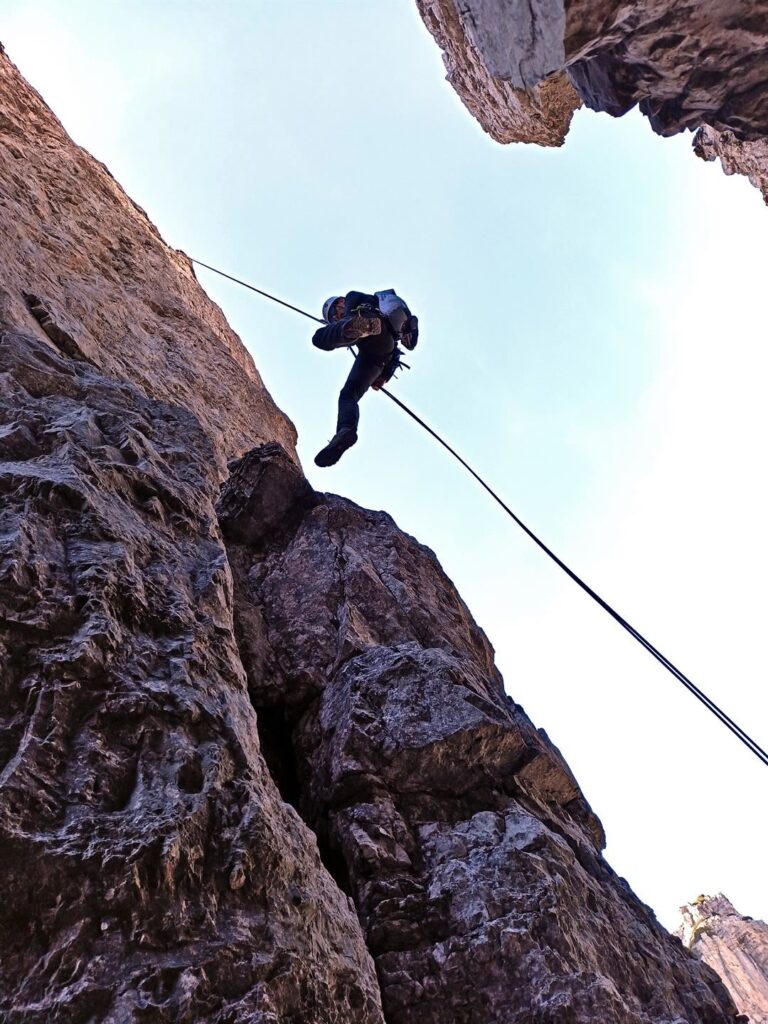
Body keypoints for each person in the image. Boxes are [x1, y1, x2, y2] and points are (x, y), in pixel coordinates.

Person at [311, 290, 416, 467]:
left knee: (319, 338)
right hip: (382, 350)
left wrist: (347, 323)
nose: (335, 318)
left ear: (340, 302)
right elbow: (395, 353)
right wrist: (383, 377)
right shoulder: (370, 305)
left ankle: (356, 328)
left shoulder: (353, 298)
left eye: (333, 315)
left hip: (371, 323)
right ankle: (345, 431)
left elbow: (351, 305)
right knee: (348, 395)